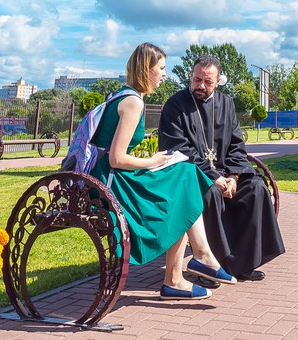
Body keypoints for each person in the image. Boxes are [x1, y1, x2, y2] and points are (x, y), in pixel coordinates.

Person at [91, 43, 237, 299]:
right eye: (161, 68)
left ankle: (190, 265)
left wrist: (151, 160)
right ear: (146, 69)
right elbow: (116, 159)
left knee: (184, 175)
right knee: (183, 177)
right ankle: (187, 268)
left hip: (105, 177)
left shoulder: (126, 96)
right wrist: (152, 161)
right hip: (110, 182)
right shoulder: (133, 102)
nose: (164, 74)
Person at [158, 55, 285, 281]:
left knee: (256, 189)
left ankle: (243, 265)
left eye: (208, 82)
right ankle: (210, 267)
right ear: (191, 75)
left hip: (228, 173)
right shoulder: (175, 105)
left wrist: (234, 177)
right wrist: (214, 177)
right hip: (194, 175)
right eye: (197, 79)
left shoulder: (226, 104)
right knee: (210, 195)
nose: (201, 86)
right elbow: (177, 148)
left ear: (218, 82)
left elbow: (237, 145)